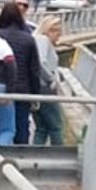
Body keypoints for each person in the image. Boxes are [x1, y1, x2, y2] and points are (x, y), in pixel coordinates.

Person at [0, 2, 41, 144]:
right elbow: (34, 70)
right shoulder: (28, 39)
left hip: (1, 89)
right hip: (22, 91)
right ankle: (20, 159)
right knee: (21, 129)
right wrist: (35, 95)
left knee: (0, 128)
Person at [32, 16, 66, 145]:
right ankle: (60, 156)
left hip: (37, 88)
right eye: (58, 32)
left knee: (42, 128)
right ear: (50, 30)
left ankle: (35, 157)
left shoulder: (35, 39)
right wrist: (51, 78)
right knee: (56, 126)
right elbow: (41, 62)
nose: (59, 36)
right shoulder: (42, 40)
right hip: (45, 89)